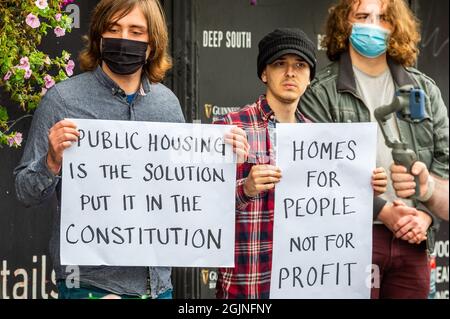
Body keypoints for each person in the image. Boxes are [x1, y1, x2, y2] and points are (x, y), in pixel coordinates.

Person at [13, 0, 248, 299]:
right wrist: (51, 161)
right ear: (99, 37)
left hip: (159, 287)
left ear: (151, 45)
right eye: (114, 29)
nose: (124, 39)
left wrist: (221, 160)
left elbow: (185, 193)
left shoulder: (167, 105)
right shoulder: (63, 100)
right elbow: (24, 191)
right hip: (89, 288)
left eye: (136, 31)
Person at [214, 28, 391, 299]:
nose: (290, 72)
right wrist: (245, 189)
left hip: (305, 287)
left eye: (300, 65)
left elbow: (331, 211)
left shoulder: (320, 138)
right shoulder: (230, 127)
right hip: (247, 288)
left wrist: (366, 191)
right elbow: (202, 208)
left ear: (309, 77)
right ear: (264, 73)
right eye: (279, 64)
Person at [299, 0, 448, 298]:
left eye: (382, 18)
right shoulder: (320, 92)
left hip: (413, 239)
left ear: (395, 26)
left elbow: (445, 171)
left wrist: (424, 216)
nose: (372, 26)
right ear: (345, 24)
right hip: (347, 240)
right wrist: (382, 210)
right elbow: (316, 174)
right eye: (363, 16)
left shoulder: (424, 90)